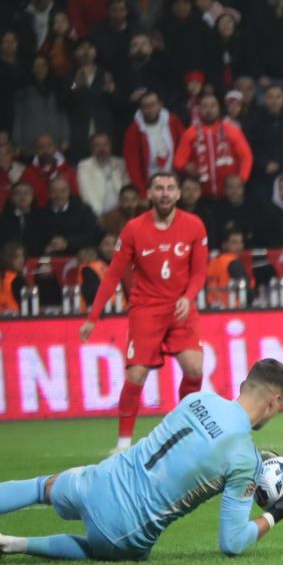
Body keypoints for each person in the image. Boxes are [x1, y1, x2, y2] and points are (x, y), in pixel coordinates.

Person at [0, 359, 283, 560]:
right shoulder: (242, 457)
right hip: (123, 528)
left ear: (243, 384)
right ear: (275, 403)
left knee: (42, 486)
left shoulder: (198, 397)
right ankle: (12, 544)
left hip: (96, 481)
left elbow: (198, 446)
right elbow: (231, 543)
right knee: (115, 551)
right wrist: (276, 514)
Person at [80, 172, 210, 454]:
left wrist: (188, 298)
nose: (165, 193)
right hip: (146, 310)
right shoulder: (134, 229)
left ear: (178, 194)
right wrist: (93, 317)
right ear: (149, 194)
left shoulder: (194, 226)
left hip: (180, 308)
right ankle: (123, 444)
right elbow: (113, 273)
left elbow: (200, 272)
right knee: (136, 376)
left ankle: (184, 430)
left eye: (170, 188)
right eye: (159, 188)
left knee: (195, 368)